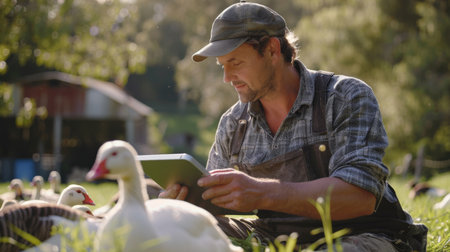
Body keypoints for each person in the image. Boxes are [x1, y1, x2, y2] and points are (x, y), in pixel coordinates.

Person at [160, 1, 427, 251]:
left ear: (272, 50)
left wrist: (262, 192)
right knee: (181, 231)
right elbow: (217, 200)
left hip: (363, 233)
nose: (227, 78)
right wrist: (183, 206)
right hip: (275, 236)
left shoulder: (345, 97)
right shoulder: (232, 123)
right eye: (222, 66)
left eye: (236, 62)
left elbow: (360, 198)